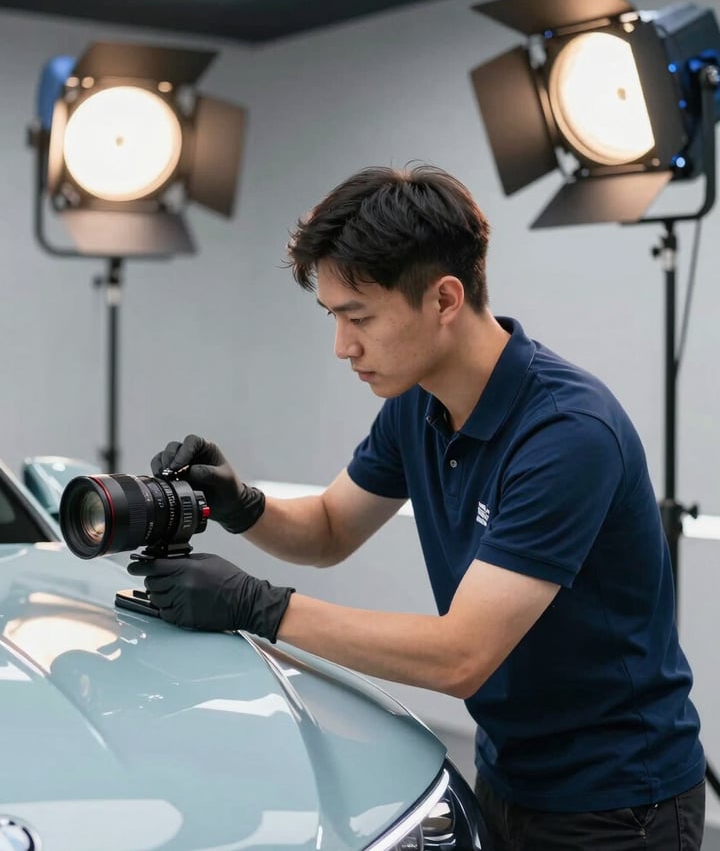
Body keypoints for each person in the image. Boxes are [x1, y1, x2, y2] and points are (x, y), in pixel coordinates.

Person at [129, 164, 706, 850]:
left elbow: (462, 656)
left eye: (359, 317)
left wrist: (257, 606)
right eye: (334, 317)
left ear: (444, 299)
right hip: (507, 771)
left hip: (619, 799)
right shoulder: (417, 403)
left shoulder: (566, 433)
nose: (343, 346)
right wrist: (240, 504)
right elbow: (330, 528)